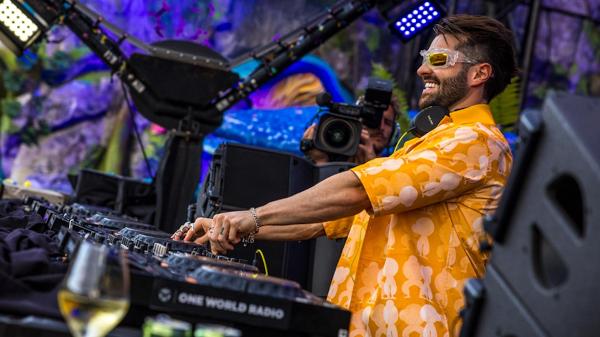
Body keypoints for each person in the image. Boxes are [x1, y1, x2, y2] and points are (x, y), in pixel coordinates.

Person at [174, 14, 517, 337]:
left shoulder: (476, 142)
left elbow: (357, 190)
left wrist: (251, 217)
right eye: (426, 58)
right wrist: (227, 226)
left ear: (479, 74)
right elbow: (321, 223)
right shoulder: (434, 140)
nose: (422, 69)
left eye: (439, 60)